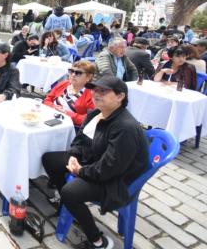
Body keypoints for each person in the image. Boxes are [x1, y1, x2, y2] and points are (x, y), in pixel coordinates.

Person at [41, 76, 148, 249]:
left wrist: (80, 171)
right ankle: (70, 206)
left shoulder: (125, 127)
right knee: (50, 159)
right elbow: (80, 140)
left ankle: (99, 241)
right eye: (95, 90)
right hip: (93, 160)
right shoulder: (96, 113)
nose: (96, 94)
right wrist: (74, 156)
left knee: (71, 191)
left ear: (120, 96)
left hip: (115, 180)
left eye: (103, 91)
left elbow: (109, 169)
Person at [43, 60, 96, 127]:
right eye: (71, 71)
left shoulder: (92, 94)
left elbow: (90, 119)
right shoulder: (63, 84)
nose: (73, 75)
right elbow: (47, 100)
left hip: (70, 127)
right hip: (50, 118)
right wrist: (54, 107)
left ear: (88, 77)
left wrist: (66, 114)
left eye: (78, 73)